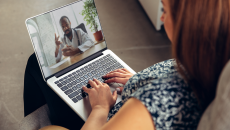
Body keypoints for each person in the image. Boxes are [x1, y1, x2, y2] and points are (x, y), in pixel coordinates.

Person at [25, 0, 230, 130]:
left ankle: (39, 124)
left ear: (188, 22)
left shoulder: (155, 103)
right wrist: (139, 80)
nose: (161, 17)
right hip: (121, 94)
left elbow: (88, 42)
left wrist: (100, 108)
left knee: (48, 126)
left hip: (105, 112)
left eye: (165, 10)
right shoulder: (212, 62)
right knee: (39, 62)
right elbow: (57, 55)